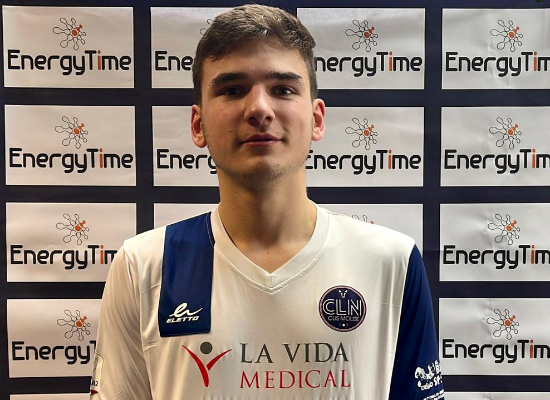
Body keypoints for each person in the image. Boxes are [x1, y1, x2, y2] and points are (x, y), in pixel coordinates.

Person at [90, 5, 444, 400]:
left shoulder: (391, 261)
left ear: (317, 119)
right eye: (232, 90)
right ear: (198, 124)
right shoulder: (143, 266)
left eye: (283, 89)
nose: (259, 108)